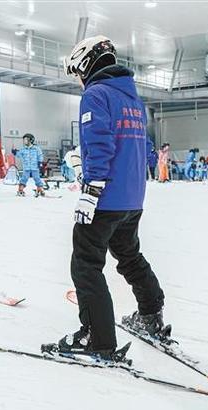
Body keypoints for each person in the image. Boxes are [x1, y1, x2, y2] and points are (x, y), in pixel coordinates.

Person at [44, 35, 167, 362]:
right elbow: (137, 150)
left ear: (85, 64)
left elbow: (100, 145)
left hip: (106, 197)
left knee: (85, 263)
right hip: (132, 198)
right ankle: (151, 314)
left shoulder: (96, 94)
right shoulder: (133, 101)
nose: (80, 80)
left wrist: (91, 191)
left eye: (78, 72)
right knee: (129, 256)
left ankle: (97, 339)